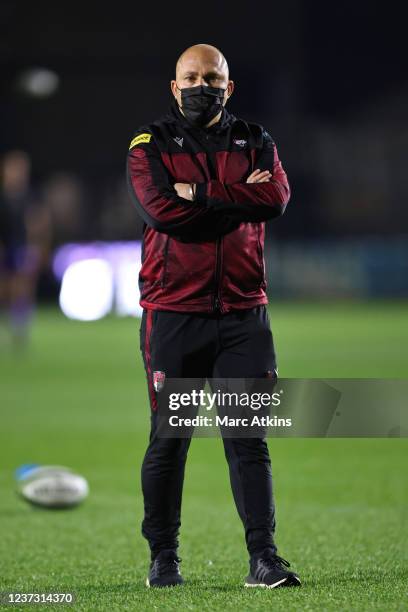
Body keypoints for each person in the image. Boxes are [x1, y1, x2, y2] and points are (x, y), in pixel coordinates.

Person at [127, 44, 301, 589]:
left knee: (248, 437)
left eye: (213, 77)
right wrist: (235, 200)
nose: (203, 85)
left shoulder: (258, 139)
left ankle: (264, 559)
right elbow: (163, 212)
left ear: (230, 86)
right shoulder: (150, 144)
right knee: (171, 438)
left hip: (244, 315)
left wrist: (200, 192)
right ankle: (164, 557)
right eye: (192, 77)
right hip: (175, 313)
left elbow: (274, 199)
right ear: (174, 87)